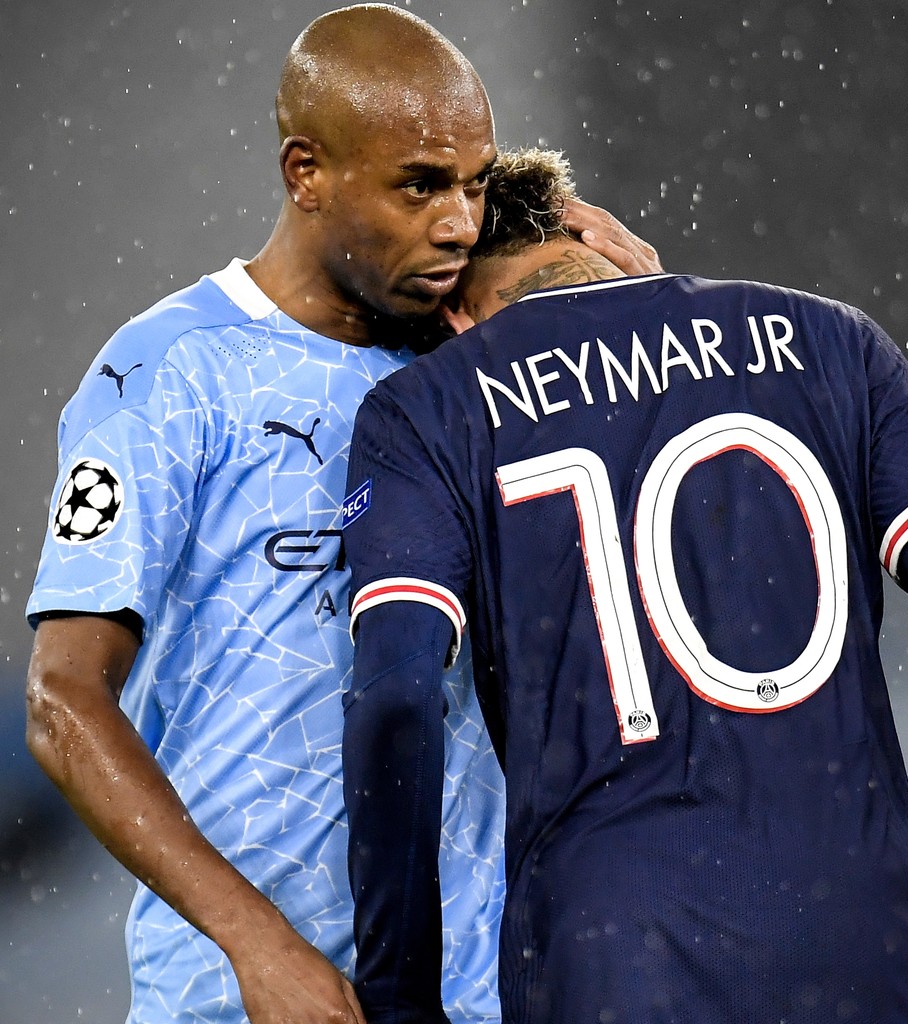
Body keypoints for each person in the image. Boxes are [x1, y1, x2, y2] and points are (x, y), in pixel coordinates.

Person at [339, 147, 908, 1024]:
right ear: (591, 230)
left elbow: (396, 701)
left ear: (453, 311)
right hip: (868, 949)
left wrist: (399, 1000)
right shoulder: (837, 340)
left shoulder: (426, 407)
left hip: (614, 964)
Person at [22, 8, 658, 1024]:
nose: (456, 222)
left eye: (475, 183)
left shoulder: (470, 359)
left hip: (484, 991)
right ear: (305, 172)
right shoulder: (166, 374)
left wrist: (609, 284)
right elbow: (63, 703)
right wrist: (256, 946)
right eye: (420, 186)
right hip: (237, 1000)